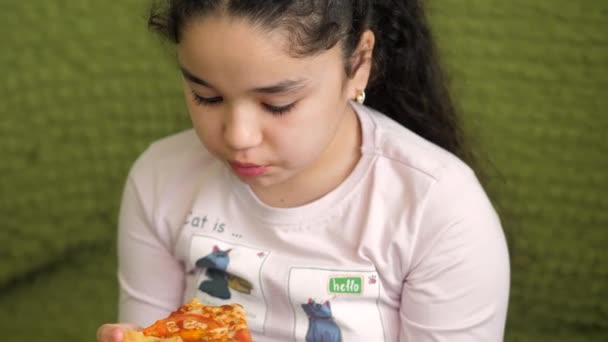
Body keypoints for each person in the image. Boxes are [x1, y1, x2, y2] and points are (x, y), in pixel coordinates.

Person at [96, 0, 510, 341]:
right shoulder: (160, 178)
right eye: (207, 97)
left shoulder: (437, 209)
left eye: (278, 104)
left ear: (359, 64)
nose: (239, 137)